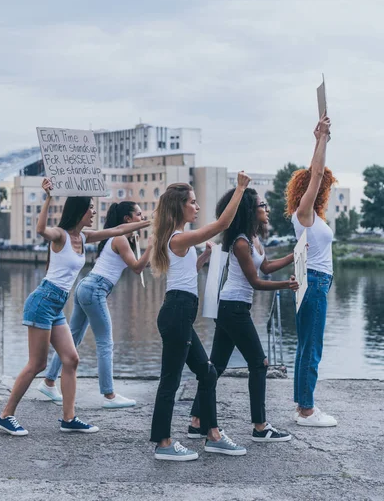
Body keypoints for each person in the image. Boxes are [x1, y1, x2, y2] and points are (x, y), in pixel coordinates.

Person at [0, 179, 149, 436]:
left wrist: (149, 223)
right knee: (37, 364)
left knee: (71, 359)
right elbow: (41, 228)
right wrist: (47, 198)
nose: (93, 212)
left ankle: (69, 418)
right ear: (79, 210)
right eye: (90, 208)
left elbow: (118, 229)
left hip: (56, 306)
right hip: (43, 302)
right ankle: (6, 415)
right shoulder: (61, 236)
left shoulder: (84, 237)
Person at [150, 172, 251, 461]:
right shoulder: (179, 237)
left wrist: (203, 259)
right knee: (170, 380)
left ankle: (212, 435)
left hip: (180, 311)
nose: (196, 207)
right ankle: (163, 443)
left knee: (206, 373)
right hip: (177, 312)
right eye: (192, 203)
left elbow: (184, 276)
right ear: (179, 207)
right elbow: (222, 224)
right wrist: (240, 189)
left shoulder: (178, 240)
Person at [189, 188, 298, 442]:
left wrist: (295, 255)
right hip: (233, 308)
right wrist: (287, 285)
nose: (267, 209)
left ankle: (196, 421)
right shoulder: (240, 242)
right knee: (259, 363)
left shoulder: (253, 239)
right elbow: (256, 282)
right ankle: (260, 427)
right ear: (251, 210)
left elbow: (267, 267)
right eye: (263, 205)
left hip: (234, 308)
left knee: (214, 367)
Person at [40, 201, 152, 409]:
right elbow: (137, 268)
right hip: (95, 289)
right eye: (139, 214)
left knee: (73, 337)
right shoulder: (119, 238)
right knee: (105, 342)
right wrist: (152, 245)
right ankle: (109, 395)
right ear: (128, 219)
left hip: (87, 286)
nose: (142, 218)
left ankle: (48, 382)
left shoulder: (117, 238)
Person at [285, 113, 337, 427]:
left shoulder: (312, 218)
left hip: (313, 282)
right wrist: (321, 140)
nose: (324, 188)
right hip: (314, 282)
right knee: (312, 346)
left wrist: (321, 140)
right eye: (321, 185)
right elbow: (316, 173)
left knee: (306, 345)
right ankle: (307, 410)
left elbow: (317, 173)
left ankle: (303, 404)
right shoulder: (302, 214)